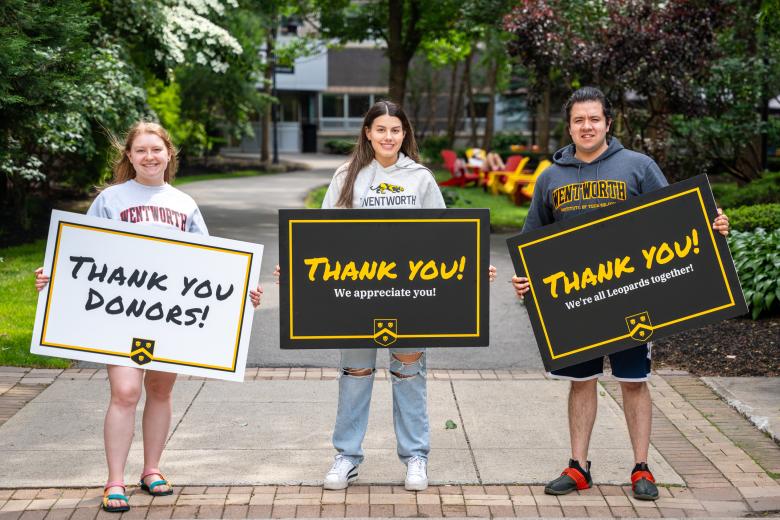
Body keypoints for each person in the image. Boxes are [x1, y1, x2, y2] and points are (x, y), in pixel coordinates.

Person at [511, 87, 730, 501]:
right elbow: (531, 241)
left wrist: (711, 226)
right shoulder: (550, 177)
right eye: (579, 120)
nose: (587, 126)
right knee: (581, 383)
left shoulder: (638, 166)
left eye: (594, 119)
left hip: (633, 298)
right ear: (570, 126)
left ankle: (641, 468)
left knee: (634, 381)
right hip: (577, 304)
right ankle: (578, 468)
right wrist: (525, 280)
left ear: (608, 123)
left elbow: (675, 219)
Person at [34, 121, 263, 513]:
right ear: (129, 156)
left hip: (169, 318)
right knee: (125, 391)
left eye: (156, 149)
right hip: (120, 315)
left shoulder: (184, 204)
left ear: (169, 154)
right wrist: (52, 277)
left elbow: (210, 264)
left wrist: (241, 292)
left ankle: (152, 469)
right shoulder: (110, 200)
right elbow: (80, 251)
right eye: (141, 150)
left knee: (160, 391)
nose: (149, 156)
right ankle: (114, 480)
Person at [276, 100, 496, 491]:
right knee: (355, 375)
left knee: (409, 373)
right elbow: (320, 236)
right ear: (368, 133)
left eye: (396, 130)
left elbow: (448, 238)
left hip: (411, 296)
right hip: (356, 296)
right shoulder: (347, 176)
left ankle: (415, 458)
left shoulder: (421, 178)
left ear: (405, 134)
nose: (388, 137)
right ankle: (346, 456)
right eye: (381, 130)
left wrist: (474, 268)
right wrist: (296, 268)